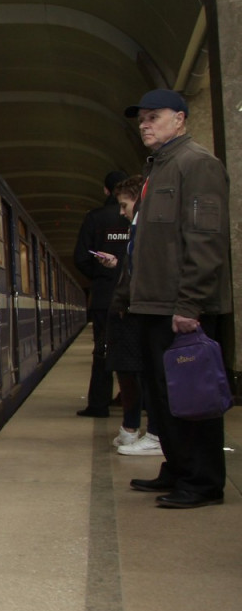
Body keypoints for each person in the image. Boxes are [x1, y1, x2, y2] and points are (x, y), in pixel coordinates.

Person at [122, 89, 232, 508]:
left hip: (180, 306)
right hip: (154, 305)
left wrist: (190, 304)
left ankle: (203, 482)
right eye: (142, 118)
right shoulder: (158, 169)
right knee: (165, 397)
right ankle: (178, 468)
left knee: (193, 397)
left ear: (180, 119)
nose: (145, 124)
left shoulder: (197, 164)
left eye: (154, 116)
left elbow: (205, 240)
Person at [97, 175, 160, 455]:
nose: (121, 212)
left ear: (139, 198)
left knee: (144, 375)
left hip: (136, 310)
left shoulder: (148, 228)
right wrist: (117, 264)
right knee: (130, 372)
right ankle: (133, 428)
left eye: (124, 205)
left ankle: (153, 433)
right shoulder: (137, 228)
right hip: (128, 309)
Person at [73, 170, 132, 416]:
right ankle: (140, 402)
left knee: (103, 350)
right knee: (136, 350)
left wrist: (100, 276)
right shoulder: (139, 217)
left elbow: (81, 258)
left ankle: (98, 404)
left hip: (105, 295)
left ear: (106, 190)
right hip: (136, 295)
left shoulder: (95, 218)